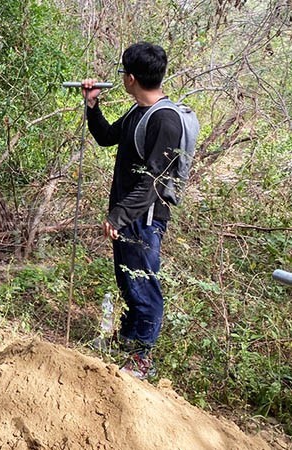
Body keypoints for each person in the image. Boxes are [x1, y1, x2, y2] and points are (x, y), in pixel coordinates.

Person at [81, 42, 183, 380]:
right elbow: (108, 136)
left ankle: (142, 357)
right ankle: (129, 339)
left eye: (124, 72)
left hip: (145, 220)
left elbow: (155, 181)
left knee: (144, 284)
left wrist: (118, 216)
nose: (123, 77)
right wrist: (92, 104)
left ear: (131, 78)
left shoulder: (165, 120)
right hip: (128, 215)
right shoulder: (138, 111)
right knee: (127, 279)